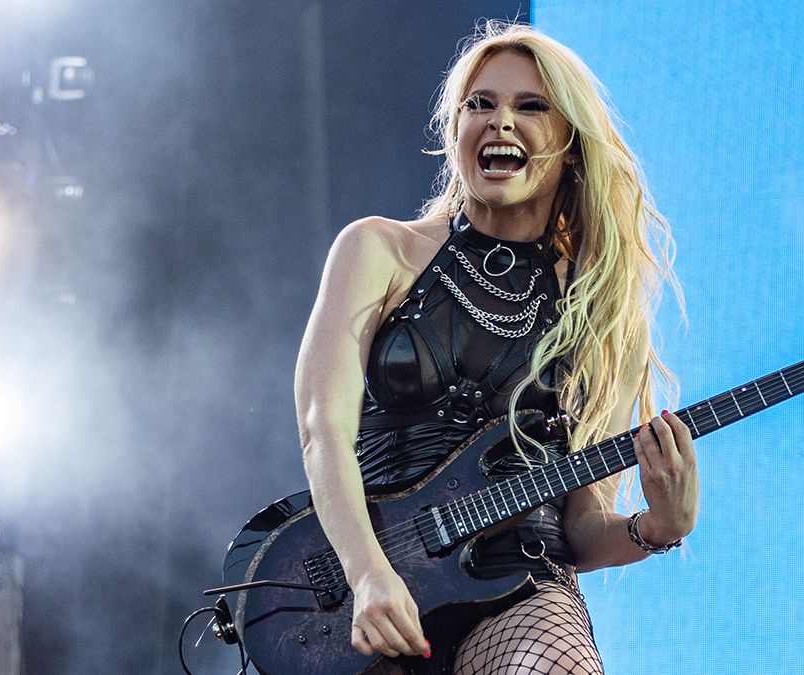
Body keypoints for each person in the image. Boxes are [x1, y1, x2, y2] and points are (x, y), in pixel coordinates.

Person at [295, 21, 698, 675]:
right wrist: (366, 571)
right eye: (479, 104)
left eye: (530, 106)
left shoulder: (602, 314)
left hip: (518, 589)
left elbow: (584, 522)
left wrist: (656, 526)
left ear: (570, 144)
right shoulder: (378, 250)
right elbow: (322, 428)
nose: (500, 122)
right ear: (455, 132)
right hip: (369, 581)